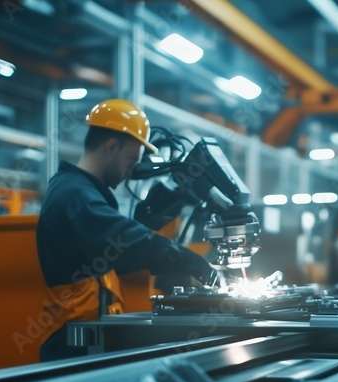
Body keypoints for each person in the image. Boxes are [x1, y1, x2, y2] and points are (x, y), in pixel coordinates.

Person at [35, 99, 213, 362]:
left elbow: (114, 254)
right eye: (131, 161)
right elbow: (129, 242)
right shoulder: (74, 195)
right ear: (111, 146)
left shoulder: (82, 192)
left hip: (89, 336)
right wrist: (193, 263)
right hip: (71, 346)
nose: (131, 172)